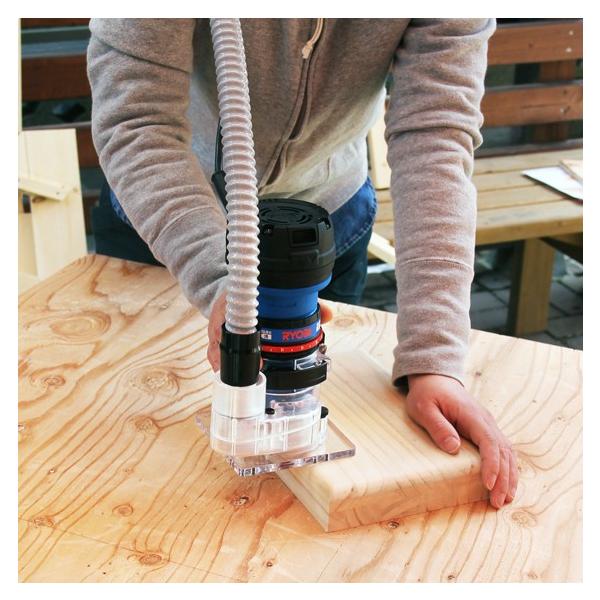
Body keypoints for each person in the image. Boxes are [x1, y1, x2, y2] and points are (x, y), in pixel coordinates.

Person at [87, 18, 518, 509]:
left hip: (325, 218)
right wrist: (220, 277)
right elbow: (137, 120)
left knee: (291, 471)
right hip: (167, 216)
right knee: (133, 452)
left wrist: (434, 358)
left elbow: (436, 134)